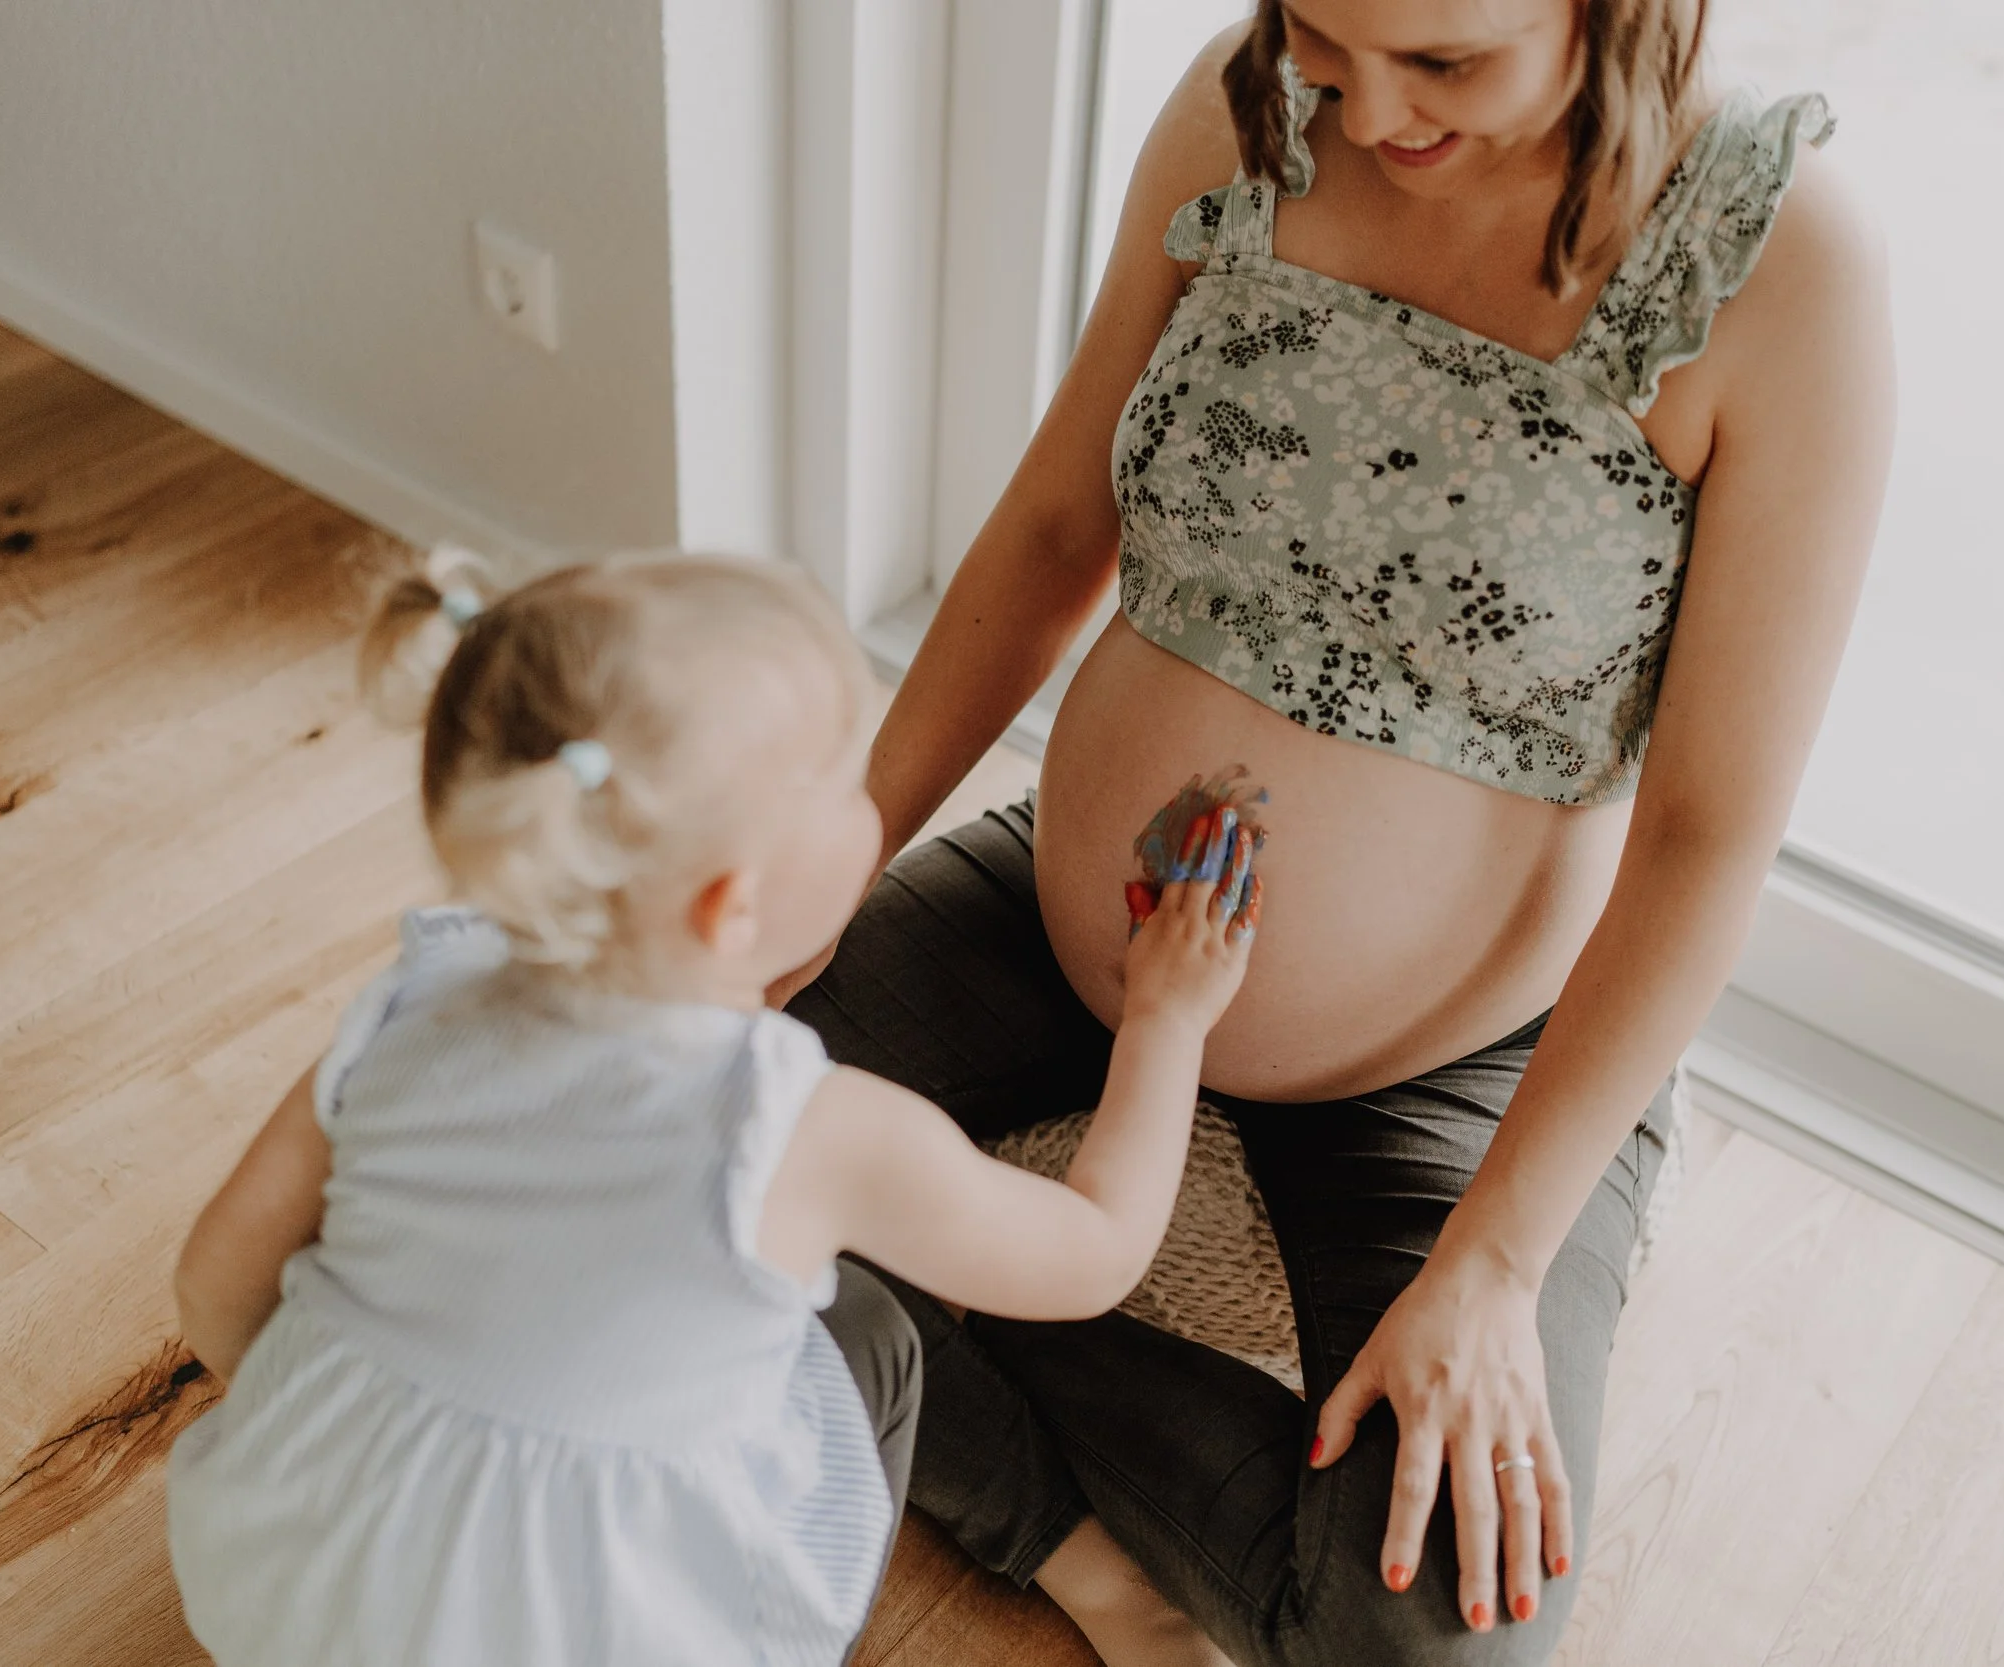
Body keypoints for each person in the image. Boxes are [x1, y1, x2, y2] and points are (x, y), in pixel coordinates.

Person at [775, 1, 1895, 1662]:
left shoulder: (1781, 270)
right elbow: (1058, 521)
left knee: (1440, 1632)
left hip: (1463, 1044)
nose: (1367, 113)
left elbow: (1709, 835)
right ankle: (1058, 1520)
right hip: (1068, 919)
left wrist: (1499, 1266)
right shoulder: (1247, 108)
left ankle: (925, 1282)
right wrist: (842, 851)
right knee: (634, 1123)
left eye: (1444, 63)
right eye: (1321, 33)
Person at [164, 551, 1262, 1667]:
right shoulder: (795, 1125)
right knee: (872, 1335)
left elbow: (216, 1276)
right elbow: (1093, 1249)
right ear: (733, 906)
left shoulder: (414, 995)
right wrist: (1165, 1019)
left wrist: (363, 1456)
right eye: (845, 782)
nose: (866, 792)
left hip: (282, 1584)